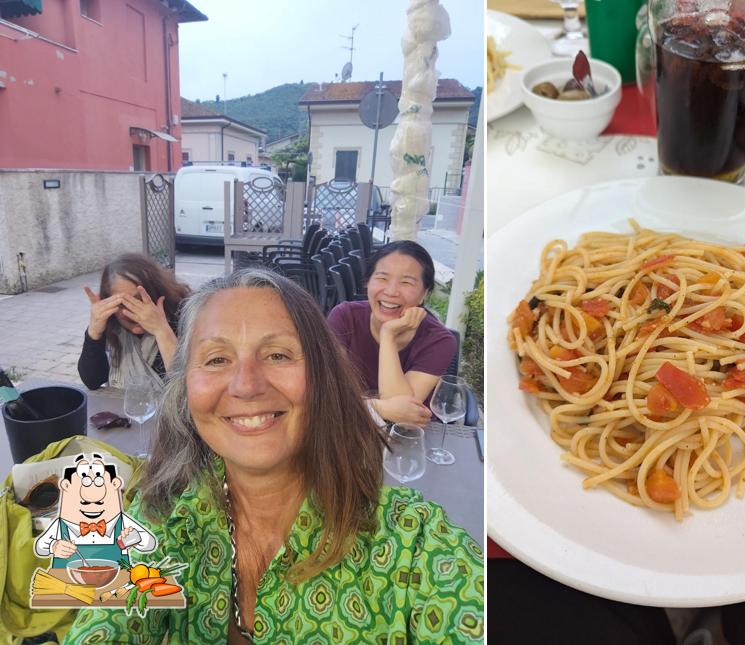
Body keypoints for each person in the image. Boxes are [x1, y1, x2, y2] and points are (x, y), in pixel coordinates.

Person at [67, 269, 484, 643]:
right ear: (186, 389)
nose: (246, 385)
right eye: (216, 359)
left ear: (324, 378)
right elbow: (100, 621)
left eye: (278, 355)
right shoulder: (159, 511)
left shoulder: (414, 545)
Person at [327, 241, 457, 427]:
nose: (391, 291)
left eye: (406, 282)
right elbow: (324, 391)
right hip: (346, 427)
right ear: (368, 283)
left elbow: (402, 415)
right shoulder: (345, 317)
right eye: (382, 278)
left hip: (408, 438)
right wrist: (379, 408)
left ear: (424, 294)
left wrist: (388, 335)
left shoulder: (439, 340)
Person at [77, 254, 190, 390]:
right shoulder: (113, 326)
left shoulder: (185, 319)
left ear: (158, 293)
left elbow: (186, 388)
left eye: (139, 300)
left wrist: (162, 331)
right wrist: (93, 333)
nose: (131, 314)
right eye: (122, 303)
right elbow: (92, 381)